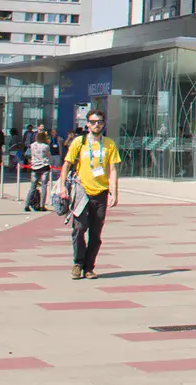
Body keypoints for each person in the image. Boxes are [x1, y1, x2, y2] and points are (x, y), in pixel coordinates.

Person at [60, 111, 122, 280]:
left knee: (96, 233)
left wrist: (114, 192)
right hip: (81, 191)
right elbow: (67, 164)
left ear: (104, 124)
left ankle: (89, 267)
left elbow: (113, 169)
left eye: (100, 122)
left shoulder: (109, 144)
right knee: (79, 229)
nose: (96, 125)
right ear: (87, 124)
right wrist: (61, 186)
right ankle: (78, 263)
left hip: (100, 192)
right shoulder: (79, 142)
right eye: (93, 122)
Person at [26, 132, 55, 211]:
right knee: (44, 186)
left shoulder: (32, 145)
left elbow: (29, 154)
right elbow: (49, 156)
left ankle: (27, 204)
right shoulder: (46, 146)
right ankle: (42, 205)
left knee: (32, 186)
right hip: (44, 166)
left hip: (34, 166)